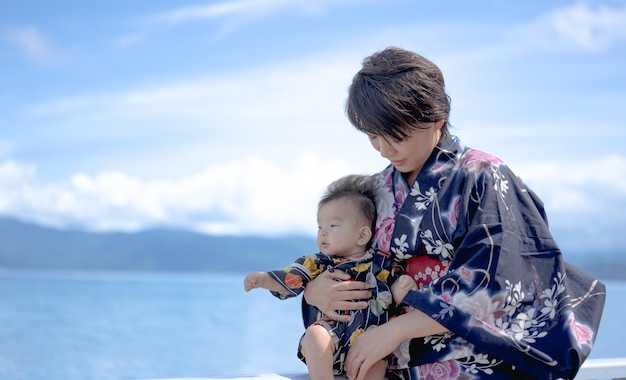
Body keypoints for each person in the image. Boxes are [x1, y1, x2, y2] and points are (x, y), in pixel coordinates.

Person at [302, 47, 606, 380]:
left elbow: (504, 280)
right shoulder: (374, 191)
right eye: (374, 138)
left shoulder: (483, 175)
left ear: (436, 118)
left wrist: (399, 328)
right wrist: (317, 290)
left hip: (468, 364)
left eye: (397, 136)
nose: (386, 151)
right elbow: (344, 257)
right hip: (385, 363)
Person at [244, 174, 408, 380]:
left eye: (333, 226)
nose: (323, 232)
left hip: (369, 341)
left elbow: (392, 295)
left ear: (362, 235)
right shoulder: (318, 263)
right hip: (331, 333)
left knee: (376, 365)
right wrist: (265, 279)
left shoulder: (380, 264)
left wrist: (401, 289)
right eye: (320, 226)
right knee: (314, 337)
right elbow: (292, 278)